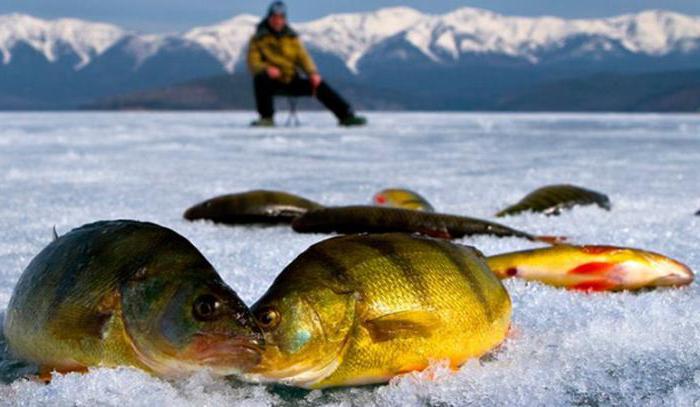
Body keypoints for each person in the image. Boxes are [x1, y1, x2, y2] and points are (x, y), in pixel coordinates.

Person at [247, 1, 367, 127]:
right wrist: (266, 68)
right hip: (272, 82)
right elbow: (253, 62)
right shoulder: (258, 39)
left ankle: (346, 116)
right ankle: (266, 118)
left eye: (281, 18)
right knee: (260, 78)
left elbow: (303, 58)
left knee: (318, 83)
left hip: (291, 79)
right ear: (269, 18)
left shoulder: (292, 38)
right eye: (275, 18)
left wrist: (312, 73)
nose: (278, 21)